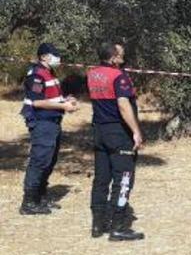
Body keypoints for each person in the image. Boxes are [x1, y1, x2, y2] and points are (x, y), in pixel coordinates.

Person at [86, 42, 144, 241]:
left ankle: (98, 224)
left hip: (99, 131)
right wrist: (136, 131)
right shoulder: (118, 77)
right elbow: (123, 105)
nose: (123, 58)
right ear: (113, 58)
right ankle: (118, 226)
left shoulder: (92, 74)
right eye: (120, 55)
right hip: (118, 132)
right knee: (124, 177)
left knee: (101, 178)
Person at [19, 43, 79, 215]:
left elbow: (51, 97)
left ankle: (40, 197)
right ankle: (29, 202)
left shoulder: (49, 73)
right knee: (39, 160)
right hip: (41, 122)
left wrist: (66, 99)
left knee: (49, 160)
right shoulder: (36, 75)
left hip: (52, 121)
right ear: (44, 56)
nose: (58, 58)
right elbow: (37, 102)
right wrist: (64, 107)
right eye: (55, 55)